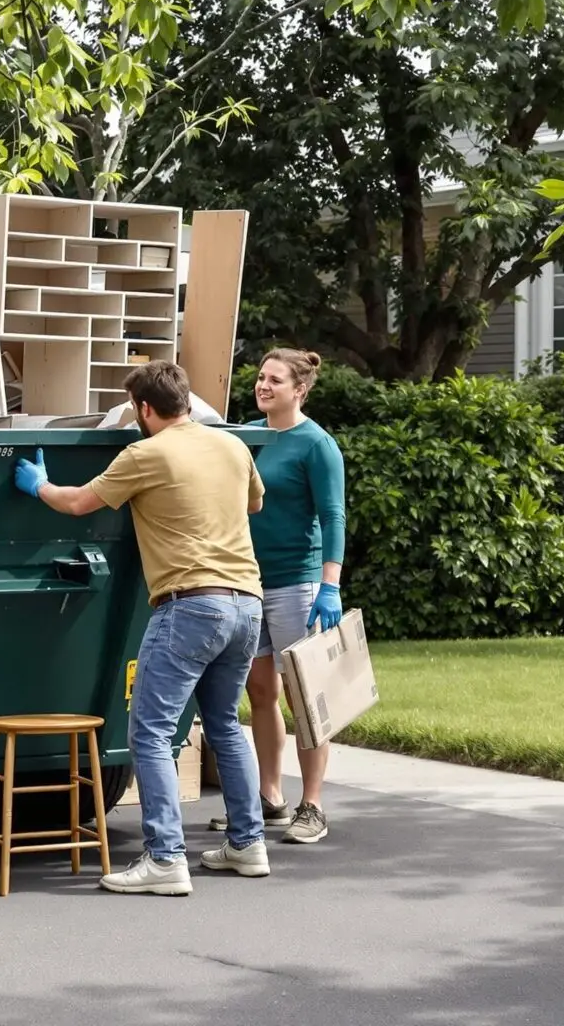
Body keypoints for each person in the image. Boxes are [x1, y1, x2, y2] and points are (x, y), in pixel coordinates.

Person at [13, 360, 269, 895]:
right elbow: (254, 501)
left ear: (144, 409)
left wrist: (39, 486)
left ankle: (165, 859)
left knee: (150, 732)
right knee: (223, 723)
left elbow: (79, 503)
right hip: (247, 603)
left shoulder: (144, 454)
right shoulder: (232, 446)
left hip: (190, 605)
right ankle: (248, 845)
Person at [212, 348, 346, 844]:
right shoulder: (248, 437)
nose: (263, 386)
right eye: (260, 378)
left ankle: (312, 806)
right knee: (260, 691)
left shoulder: (317, 445)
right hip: (248, 580)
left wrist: (329, 584)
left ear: (300, 389)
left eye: (275, 380)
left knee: (304, 696)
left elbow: (334, 517)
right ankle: (270, 797)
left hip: (298, 583)